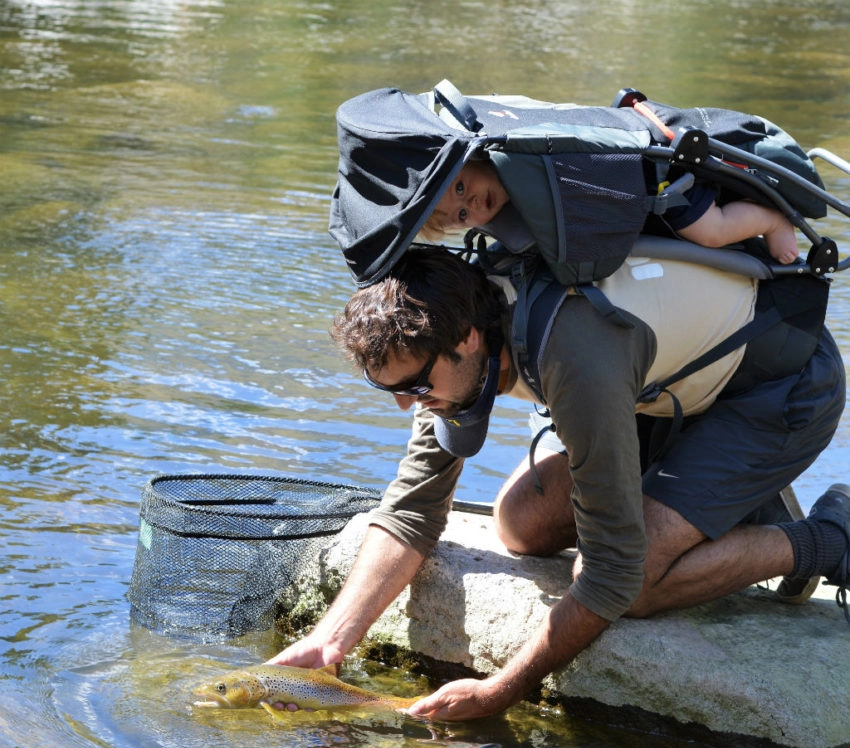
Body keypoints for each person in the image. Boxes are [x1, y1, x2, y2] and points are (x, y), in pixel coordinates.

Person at [266, 244, 849, 721]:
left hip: (777, 391)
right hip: (661, 395)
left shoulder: (573, 356)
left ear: (468, 338)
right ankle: (724, 503)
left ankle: (827, 537)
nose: (406, 405)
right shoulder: (442, 336)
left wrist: (500, 689)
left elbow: (611, 576)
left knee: (638, 582)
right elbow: (412, 509)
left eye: (415, 386)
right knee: (520, 523)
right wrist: (332, 640)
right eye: (389, 389)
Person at [422, 158, 800, 264]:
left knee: (711, 232)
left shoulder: (520, 160)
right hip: (633, 207)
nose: (470, 206)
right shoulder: (512, 212)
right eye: (461, 217)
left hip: (661, 183)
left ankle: (770, 219)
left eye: (461, 188)